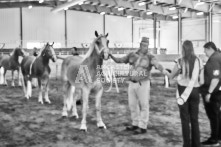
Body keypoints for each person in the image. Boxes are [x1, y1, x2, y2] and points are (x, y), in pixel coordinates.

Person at [109, 37, 169, 134]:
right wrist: (111, 55)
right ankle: (135, 123)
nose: (145, 47)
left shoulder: (150, 57)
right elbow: (120, 60)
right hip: (132, 83)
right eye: (143, 45)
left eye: (147, 45)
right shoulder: (132, 55)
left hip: (143, 83)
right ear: (140, 45)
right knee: (132, 105)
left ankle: (143, 126)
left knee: (144, 104)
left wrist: (165, 71)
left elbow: (157, 65)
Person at [167, 40, 203, 147]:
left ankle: (186, 144)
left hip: (183, 90)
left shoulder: (179, 61)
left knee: (185, 119)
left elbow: (171, 76)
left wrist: (168, 74)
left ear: (183, 49)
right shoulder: (199, 61)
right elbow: (201, 79)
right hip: (195, 90)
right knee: (195, 119)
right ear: (192, 48)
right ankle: (196, 144)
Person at [200, 42, 221, 146]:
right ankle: (218, 136)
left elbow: (215, 78)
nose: (204, 52)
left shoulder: (214, 59)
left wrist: (209, 92)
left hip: (213, 92)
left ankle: (214, 139)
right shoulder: (218, 56)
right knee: (217, 115)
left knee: (213, 115)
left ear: (209, 48)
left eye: (205, 50)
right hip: (217, 91)